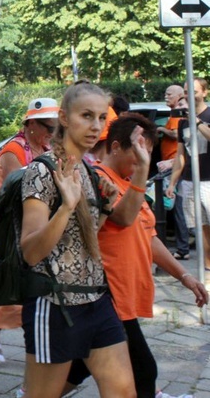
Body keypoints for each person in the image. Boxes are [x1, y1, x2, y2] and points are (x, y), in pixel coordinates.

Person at [61, 113, 208, 398]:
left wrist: (185, 276)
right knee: (143, 370)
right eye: (138, 149)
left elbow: (148, 236)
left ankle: (37, 392)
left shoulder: (130, 182)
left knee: (81, 364)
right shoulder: (100, 180)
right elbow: (125, 218)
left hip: (126, 294)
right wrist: (142, 171)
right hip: (106, 295)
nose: (143, 157)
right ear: (116, 146)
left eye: (148, 151)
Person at [19, 82, 135, 397]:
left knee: (124, 391)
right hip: (55, 304)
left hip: (96, 300)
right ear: (65, 118)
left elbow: (81, 241)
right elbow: (30, 252)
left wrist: (105, 208)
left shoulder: (86, 168)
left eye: (101, 117)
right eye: (86, 116)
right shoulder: (42, 172)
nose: (95, 126)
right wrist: (67, 207)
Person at [0, 98, 58, 365]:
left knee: (28, 292)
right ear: (31, 124)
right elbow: (15, 196)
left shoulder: (44, 146)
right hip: (15, 232)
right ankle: (37, 356)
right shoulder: (14, 150)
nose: (52, 132)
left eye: (56, 126)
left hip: (36, 226)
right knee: (26, 291)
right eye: (48, 126)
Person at [167, 78, 210, 273]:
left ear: (204, 92)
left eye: (193, 91)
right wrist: (172, 182)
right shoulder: (182, 122)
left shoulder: (206, 115)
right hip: (190, 180)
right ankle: (207, 266)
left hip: (209, 179)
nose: (188, 95)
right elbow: (180, 155)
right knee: (199, 226)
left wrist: (197, 121)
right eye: (186, 91)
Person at [157, 85, 193, 260]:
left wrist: (161, 130)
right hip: (174, 169)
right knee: (177, 207)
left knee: (179, 208)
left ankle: (183, 247)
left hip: (179, 170)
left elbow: (184, 150)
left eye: (169, 94)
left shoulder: (185, 121)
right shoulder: (176, 118)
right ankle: (182, 246)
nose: (166, 96)